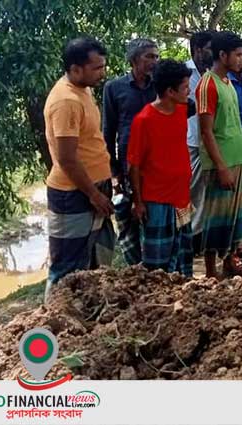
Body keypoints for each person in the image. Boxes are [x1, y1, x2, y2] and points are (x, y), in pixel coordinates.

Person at [44, 37, 114, 298]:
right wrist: (93, 194)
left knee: (95, 258)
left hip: (93, 187)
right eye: (97, 68)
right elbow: (67, 158)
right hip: (74, 193)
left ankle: (88, 319)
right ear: (75, 69)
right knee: (67, 269)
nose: (102, 73)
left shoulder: (83, 89)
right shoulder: (66, 101)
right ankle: (55, 323)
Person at [127, 59, 194, 277]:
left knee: (182, 256)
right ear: (170, 91)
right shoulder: (144, 120)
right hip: (157, 200)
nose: (189, 90)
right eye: (185, 87)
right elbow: (134, 165)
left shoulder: (181, 110)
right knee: (158, 263)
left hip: (181, 197)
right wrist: (138, 202)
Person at [196, 31, 242, 278]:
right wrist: (220, 166)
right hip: (221, 163)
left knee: (235, 215)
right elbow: (206, 132)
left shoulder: (229, 82)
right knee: (215, 216)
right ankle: (210, 270)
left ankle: (229, 260)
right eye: (239, 55)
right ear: (222, 55)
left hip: (238, 156)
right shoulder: (208, 84)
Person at [102, 38, 159, 266]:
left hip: (157, 163)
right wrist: (114, 170)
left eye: (157, 56)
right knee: (129, 218)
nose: (155, 61)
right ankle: (136, 269)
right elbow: (109, 130)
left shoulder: (160, 85)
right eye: (149, 57)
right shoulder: (114, 88)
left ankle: (157, 268)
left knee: (155, 216)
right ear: (135, 60)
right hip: (129, 164)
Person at [185, 31, 215, 250]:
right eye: (209, 49)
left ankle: (199, 234)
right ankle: (188, 234)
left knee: (205, 191)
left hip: (210, 141)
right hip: (191, 141)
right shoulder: (184, 73)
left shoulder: (213, 74)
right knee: (189, 190)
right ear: (197, 50)